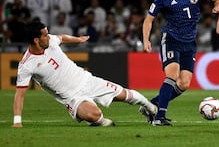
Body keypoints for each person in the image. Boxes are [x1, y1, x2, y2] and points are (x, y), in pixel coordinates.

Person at [12, 21, 157, 127]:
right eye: (45, 35)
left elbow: (62, 37)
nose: (49, 37)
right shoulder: (27, 65)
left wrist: (78, 40)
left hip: (87, 80)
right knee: (95, 115)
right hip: (72, 97)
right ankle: (100, 122)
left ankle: (150, 108)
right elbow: (19, 95)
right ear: (36, 40)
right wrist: (17, 122)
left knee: (125, 95)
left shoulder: (50, 41)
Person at [141, 0, 219, 126]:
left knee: (184, 83)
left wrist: (217, 6)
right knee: (172, 76)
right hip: (171, 39)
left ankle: (152, 105)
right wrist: (146, 40)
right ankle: (159, 117)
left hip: (190, 42)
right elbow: (149, 19)